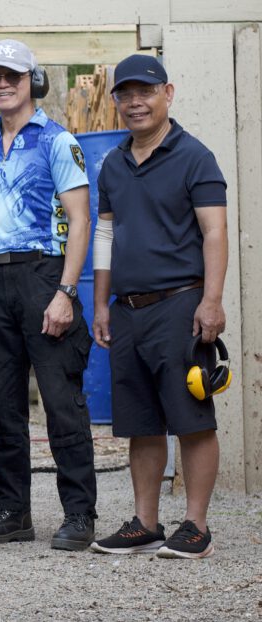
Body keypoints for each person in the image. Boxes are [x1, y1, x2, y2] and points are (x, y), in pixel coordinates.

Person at [0, 39, 97, 551]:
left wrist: (65, 291)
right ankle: (14, 510)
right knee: (3, 406)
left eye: (12, 76)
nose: (2, 84)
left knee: (62, 403)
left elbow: (80, 220)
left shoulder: (59, 142)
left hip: (45, 275)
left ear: (32, 81)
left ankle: (79, 512)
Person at [89, 55, 228, 560]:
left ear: (167, 93)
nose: (134, 102)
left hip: (180, 306)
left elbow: (215, 232)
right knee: (140, 421)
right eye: (125, 94)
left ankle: (195, 527)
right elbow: (104, 233)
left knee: (192, 418)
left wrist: (211, 302)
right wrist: (102, 303)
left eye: (144, 92)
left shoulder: (196, 157)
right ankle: (145, 523)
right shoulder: (113, 164)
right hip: (127, 310)